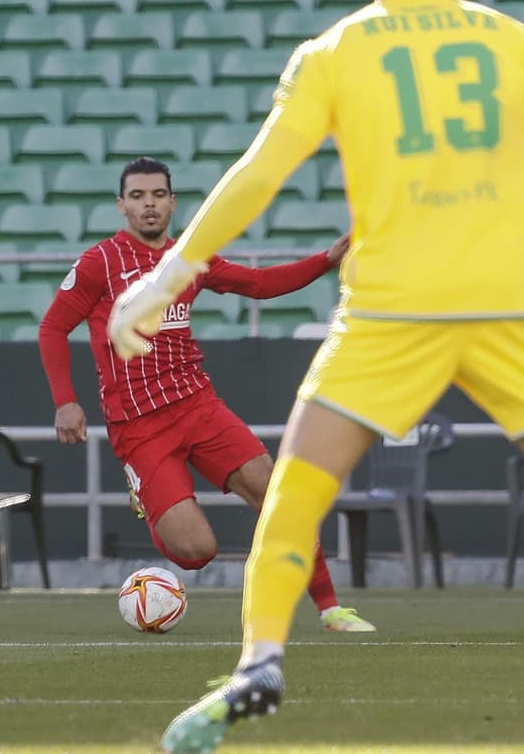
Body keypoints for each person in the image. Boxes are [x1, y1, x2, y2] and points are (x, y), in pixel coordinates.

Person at [107, 0, 524, 751]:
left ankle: (259, 664)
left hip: (387, 313)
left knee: (294, 492)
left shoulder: (335, 50)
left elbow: (258, 175)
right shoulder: (514, 41)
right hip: (508, 310)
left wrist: (167, 274)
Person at [37, 156, 373, 634]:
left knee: (276, 492)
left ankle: (330, 607)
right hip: (139, 426)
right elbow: (53, 327)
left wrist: (325, 261)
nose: (149, 204)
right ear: (121, 206)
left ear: (172, 203)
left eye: (158, 195)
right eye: (137, 196)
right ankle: (145, 494)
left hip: (198, 405)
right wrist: (65, 401)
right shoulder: (100, 263)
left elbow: (259, 284)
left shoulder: (189, 258)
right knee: (197, 552)